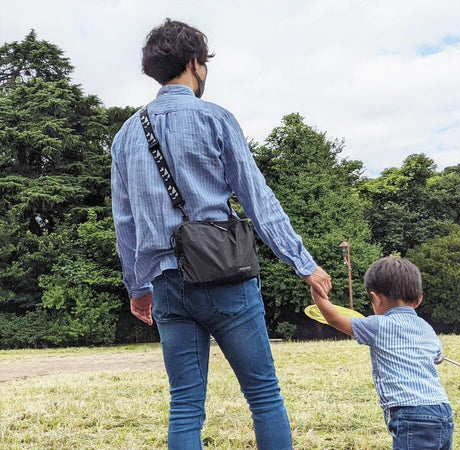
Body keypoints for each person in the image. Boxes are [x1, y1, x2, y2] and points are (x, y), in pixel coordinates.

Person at [111, 18, 331, 450]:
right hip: (226, 277)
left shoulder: (125, 136)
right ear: (196, 64)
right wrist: (304, 263)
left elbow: (125, 222)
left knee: (186, 406)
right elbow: (257, 200)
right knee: (264, 397)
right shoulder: (215, 118)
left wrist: (137, 287)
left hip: (167, 285)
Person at [310, 256, 453, 450]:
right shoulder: (426, 327)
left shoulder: (378, 325)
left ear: (375, 298)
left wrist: (317, 292)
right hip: (443, 411)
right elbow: (438, 357)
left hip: (411, 414)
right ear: (419, 300)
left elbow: (335, 319)